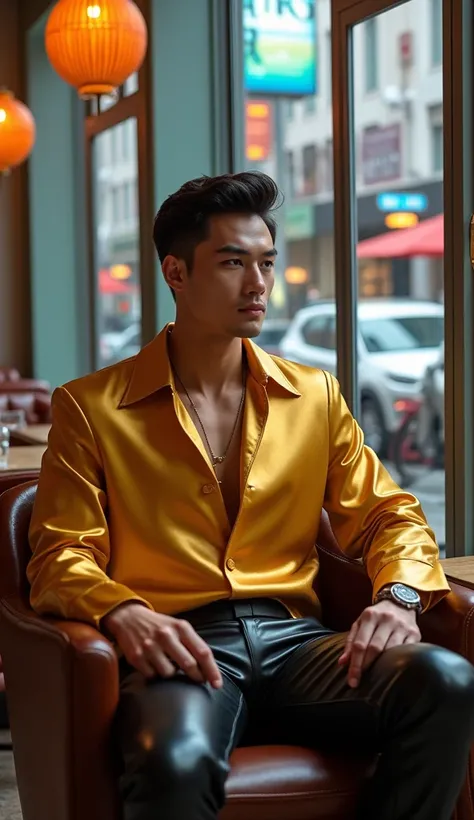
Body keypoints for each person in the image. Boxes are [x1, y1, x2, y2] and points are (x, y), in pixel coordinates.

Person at [28, 172, 474, 820]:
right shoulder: (91, 407)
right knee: (171, 762)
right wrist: (122, 612)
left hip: (298, 641)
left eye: (266, 262)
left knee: (445, 681)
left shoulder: (313, 396)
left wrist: (399, 596)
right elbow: (59, 553)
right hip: (180, 643)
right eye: (233, 262)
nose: (258, 283)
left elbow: (388, 513)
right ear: (175, 273)